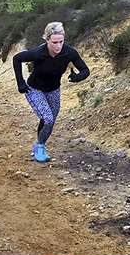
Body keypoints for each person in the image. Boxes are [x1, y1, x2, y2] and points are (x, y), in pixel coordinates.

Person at [12, 21, 89, 162]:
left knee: (51, 121)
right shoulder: (38, 53)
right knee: (47, 118)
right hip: (34, 89)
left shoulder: (69, 52)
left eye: (61, 41)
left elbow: (85, 70)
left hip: (54, 90)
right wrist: (21, 83)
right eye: (54, 42)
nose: (58, 46)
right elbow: (17, 58)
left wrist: (78, 77)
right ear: (47, 40)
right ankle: (40, 148)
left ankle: (40, 144)